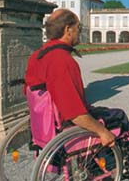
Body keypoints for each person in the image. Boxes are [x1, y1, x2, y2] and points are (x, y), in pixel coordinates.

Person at [24, 9, 119, 147]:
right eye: (78, 28)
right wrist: (103, 132)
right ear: (68, 30)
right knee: (118, 117)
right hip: (63, 125)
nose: (79, 31)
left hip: (44, 124)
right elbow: (75, 113)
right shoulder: (62, 60)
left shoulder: (36, 56)